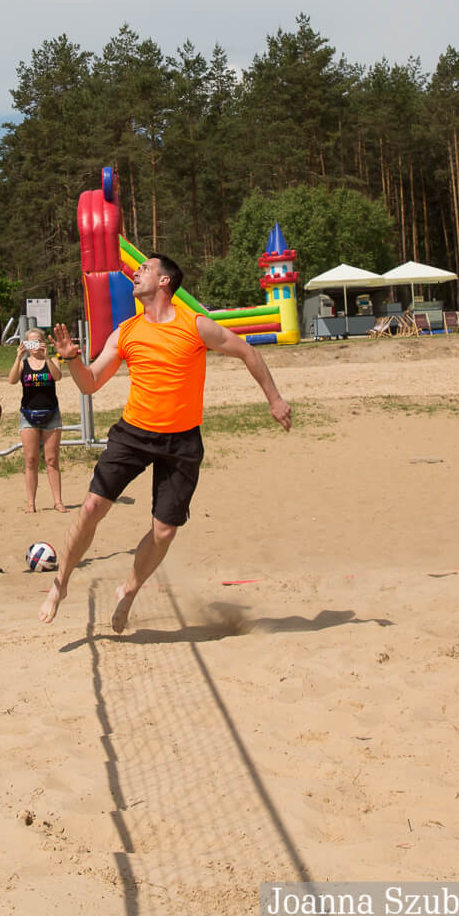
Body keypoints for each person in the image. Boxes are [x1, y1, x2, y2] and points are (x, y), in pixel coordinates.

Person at [40, 253, 292, 633]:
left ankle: (129, 590)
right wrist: (72, 359)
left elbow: (248, 352)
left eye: (145, 269)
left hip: (181, 441)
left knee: (164, 532)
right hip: (133, 434)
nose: (136, 273)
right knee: (91, 507)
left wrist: (274, 399)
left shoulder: (195, 325)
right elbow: (89, 383)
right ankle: (60, 585)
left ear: (164, 281)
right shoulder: (126, 332)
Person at [6, 328, 66, 513]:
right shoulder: (23, 364)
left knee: (52, 459)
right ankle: (31, 503)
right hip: (28, 415)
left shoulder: (53, 360)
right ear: (26, 344)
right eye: (31, 342)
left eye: (38, 341)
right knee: (31, 460)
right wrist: (18, 357)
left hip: (51, 414)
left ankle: (58, 502)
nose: (35, 346)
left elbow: (57, 377)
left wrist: (46, 357)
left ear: (43, 343)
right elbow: (11, 380)